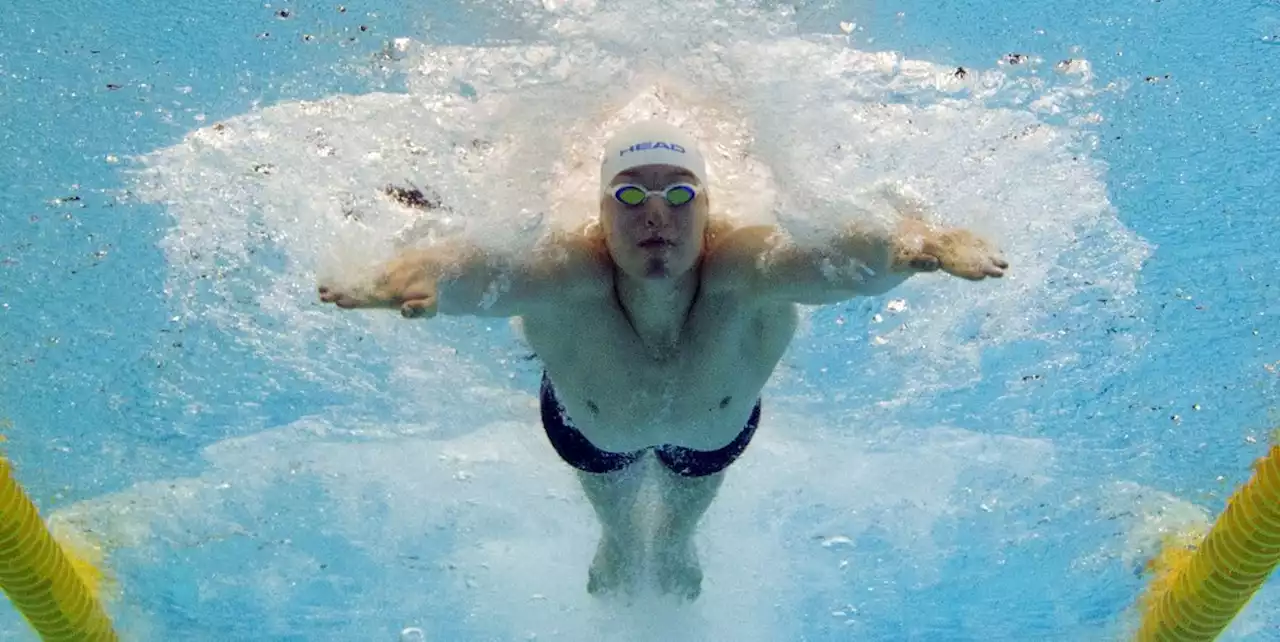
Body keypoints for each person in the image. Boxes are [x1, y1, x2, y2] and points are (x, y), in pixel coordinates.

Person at [318, 120, 1008, 601]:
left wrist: (919, 246)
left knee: (680, 516)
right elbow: (486, 268)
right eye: (630, 195)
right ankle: (619, 541)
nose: (656, 214)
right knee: (619, 518)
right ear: (601, 210)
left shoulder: (739, 267)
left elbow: (828, 262)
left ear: (707, 208)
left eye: (679, 193)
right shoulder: (571, 271)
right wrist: (413, 274)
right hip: (590, 434)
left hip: (712, 438)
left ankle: (675, 542)